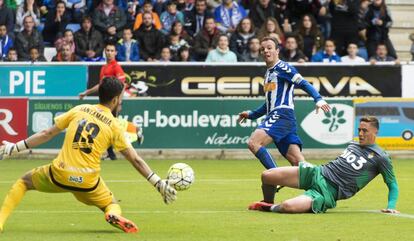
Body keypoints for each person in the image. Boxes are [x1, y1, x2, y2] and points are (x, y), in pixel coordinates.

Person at [0, 77, 177, 233]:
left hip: (60, 174)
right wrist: (158, 183)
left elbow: (46, 133)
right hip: (88, 182)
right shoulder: (115, 126)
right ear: (115, 100)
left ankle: (0, 223)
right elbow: (136, 160)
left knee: (23, 182)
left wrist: (14, 148)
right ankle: (112, 214)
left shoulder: (80, 109)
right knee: (111, 203)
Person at [249, 116, 399, 215]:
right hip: (317, 172)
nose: (360, 133)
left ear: (376, 131)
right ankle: (268, 201)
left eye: (364, 130)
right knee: (267, 175)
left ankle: (268, 208)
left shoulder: (381, 157)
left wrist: (391, 206)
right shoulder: (354, 143)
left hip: (328, 192)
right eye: (359, 130)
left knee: (288, 207)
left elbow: (392, 184)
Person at [237, 37, 330, 185]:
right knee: (298, 163)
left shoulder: (283, 68)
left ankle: (276, 178)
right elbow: (269, 104)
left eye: (269, 47)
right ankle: (324, 187)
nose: (266, 51)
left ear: (277, 51)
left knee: (254, 143)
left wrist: (318, 99)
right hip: (282, 117)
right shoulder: (268, 74)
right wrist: (252, 114)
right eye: (263, 49)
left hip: (281, 115)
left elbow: (303, 83)